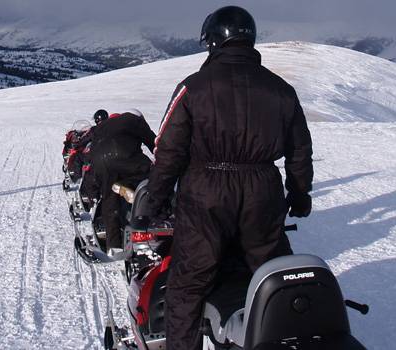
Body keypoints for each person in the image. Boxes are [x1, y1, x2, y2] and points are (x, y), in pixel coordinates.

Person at [142, 6, 314, 349]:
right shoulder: (282, 90)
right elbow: (299, 150)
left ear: (214, 42)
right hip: (262, 191)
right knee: (273, 275)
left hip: (206, 193)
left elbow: (168, 152)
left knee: (188, 285)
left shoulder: (193, 88)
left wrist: (156, 201)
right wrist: (299, 195)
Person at [89, 109, 156, 253]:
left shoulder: (106, 125)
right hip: (122, 155)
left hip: (99, 162)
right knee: (151, 178)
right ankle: (143, 212)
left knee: (109, 200)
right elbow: (155, 143)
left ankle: (114, 245)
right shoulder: (135, 120)